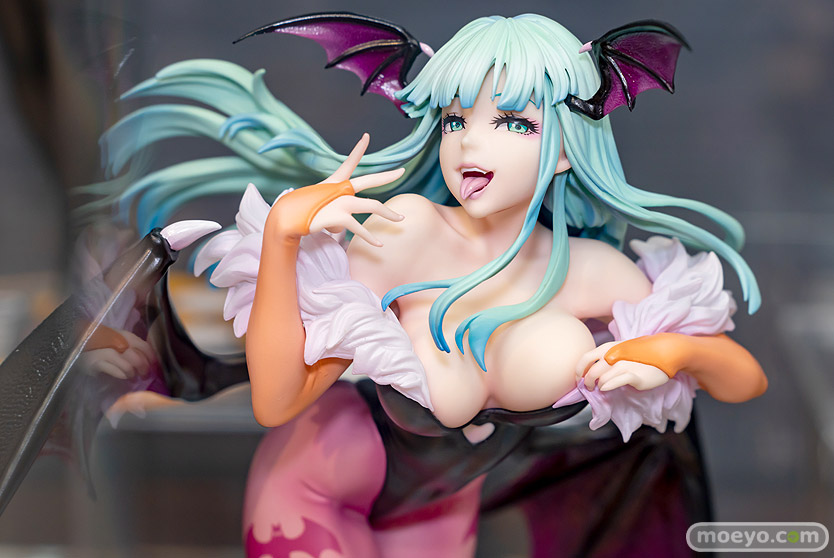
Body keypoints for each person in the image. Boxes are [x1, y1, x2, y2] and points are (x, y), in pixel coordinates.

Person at [95, 13, 767, 557]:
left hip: (439, 505)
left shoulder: (593, 273)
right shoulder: (407, 230)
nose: (471, 145)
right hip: (318, 486)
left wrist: (676, 354)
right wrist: (281, 240)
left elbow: (744, 381)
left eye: (513, 122)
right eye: (455, 120)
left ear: (565, 150)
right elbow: (278, 401)